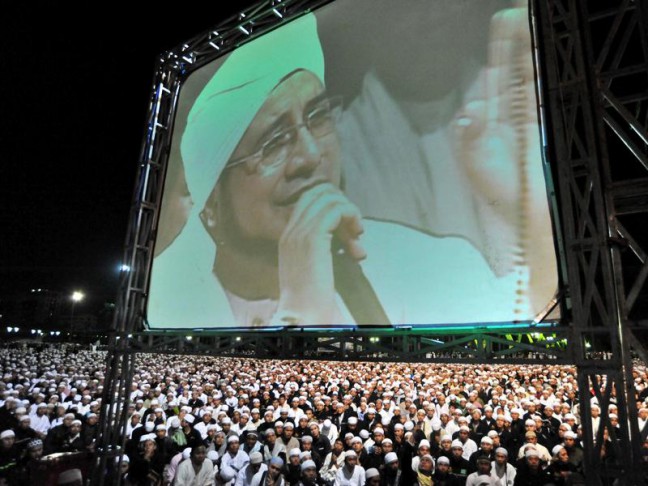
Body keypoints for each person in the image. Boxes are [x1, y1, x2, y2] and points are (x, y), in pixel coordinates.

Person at [148, 13, 536, 329]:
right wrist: (302, 313)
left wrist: (528, 208)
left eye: (317, 116)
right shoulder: (169, 310)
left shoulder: (429, 263)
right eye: (274, 142)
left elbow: (523, 330)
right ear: (211, 201)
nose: (311, 155)